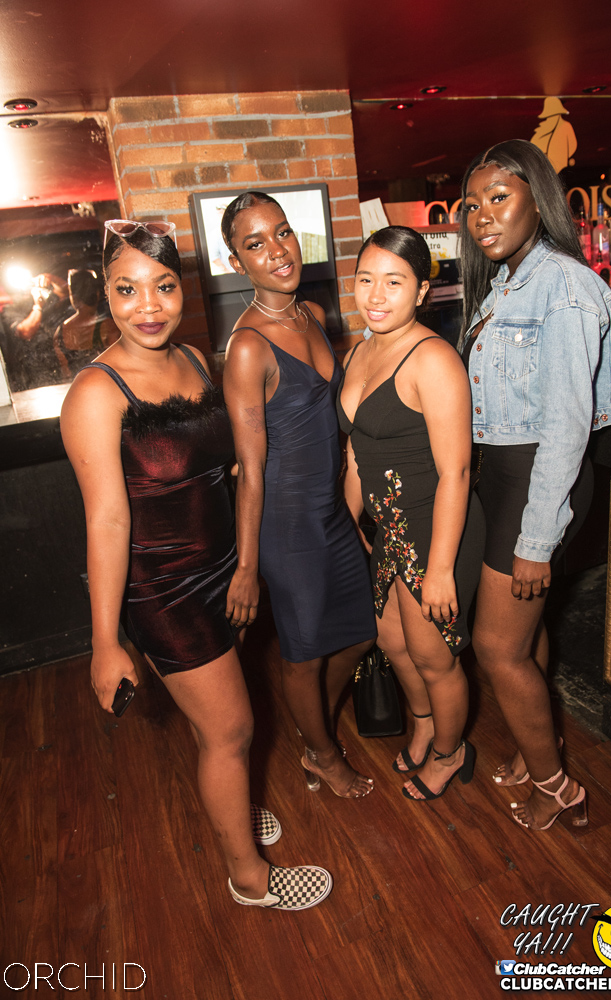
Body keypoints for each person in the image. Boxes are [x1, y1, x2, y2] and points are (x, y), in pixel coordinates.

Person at [60, 219, 331, 911]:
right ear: (106, 293)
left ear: (184, 288)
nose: (148, 306)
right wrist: (104, 643)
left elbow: (226, 468)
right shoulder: (96, 392)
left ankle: (231, 806)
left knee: (218, 727)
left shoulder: (190, 358)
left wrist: (246, 561)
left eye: (164, 286)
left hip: (221, 573)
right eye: (127, 289)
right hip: (163, 591)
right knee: (233, 730)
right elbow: (107, 522)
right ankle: (249, 877)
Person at [459, 139, 611, 830]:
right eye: (472, 205)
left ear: (538, 198)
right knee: (523, 639)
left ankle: (559, 787)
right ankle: (538, 752)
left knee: (496, 647)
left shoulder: (562, 286)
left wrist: (536, 539)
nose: (482, 216)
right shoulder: (506, 282)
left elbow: (565, 426)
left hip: (539, 480)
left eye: (498, 197)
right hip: (506, 478)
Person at [221, 192, 376, 799]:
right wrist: (247, 567)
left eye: (282, 232)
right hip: (286, 525)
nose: (277, 251)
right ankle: (321, 754)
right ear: (238, 263)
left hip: (332, 511)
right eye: (255, 244)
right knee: (303, 654)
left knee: (360, 633)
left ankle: (316, 727)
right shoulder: (247, 347)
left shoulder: (311, 312)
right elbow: (250, 470)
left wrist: (351, 509)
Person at [337, 226, 485, 800]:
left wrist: (441, 570)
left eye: (394, 282)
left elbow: (456, 473)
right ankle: (424, 726)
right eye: (365, 279)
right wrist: (346, 523)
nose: (376, 295)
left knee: (432, 655)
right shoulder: (360, 350)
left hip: (433, 526)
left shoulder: (434, 359)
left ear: (422, 290)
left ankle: (451, 753)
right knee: (391, 641)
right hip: (388, 527)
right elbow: (357, 453)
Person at [54, 268, 118, 379]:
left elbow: (65, 372)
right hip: (104, 385)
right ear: (97, 293)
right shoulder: (108, 326)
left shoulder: (60, 331)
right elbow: (118, 367)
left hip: (74, 386)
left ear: (73, 296)